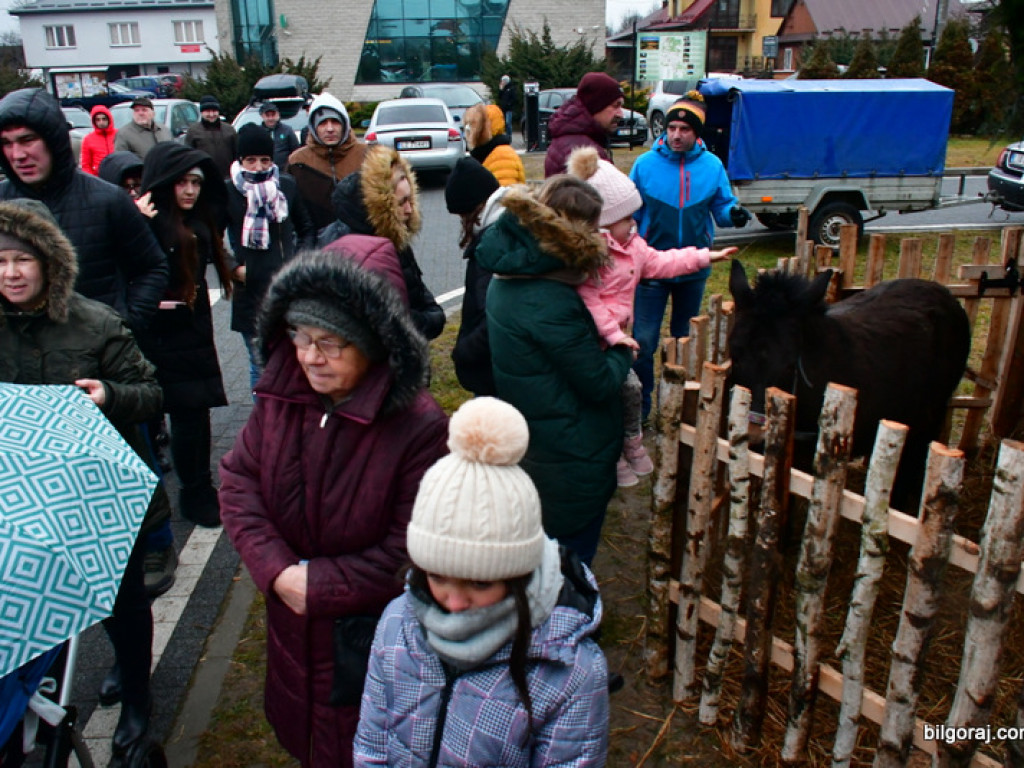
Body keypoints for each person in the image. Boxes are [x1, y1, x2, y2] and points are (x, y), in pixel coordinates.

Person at [219, 249, 449, 768]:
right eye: (299, 337)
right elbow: (239, 480)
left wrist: (317, 586)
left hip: (365, 646)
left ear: (372, 344)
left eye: (329, 343)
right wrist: (277, 572)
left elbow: (410, 549)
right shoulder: (283, 395)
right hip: (291, 632)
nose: (309, 357)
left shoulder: (420, 427)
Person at [353, 396, 610, 766]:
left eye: (480, 584)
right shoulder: (398, 623)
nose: (453, 604)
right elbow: (373, 741)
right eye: (438, 577)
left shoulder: (569, 672)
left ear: (518, 575)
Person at [0, 199, 166, 757]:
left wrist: (109, 395)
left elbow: (150, 393)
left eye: (21, 259)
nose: (10, 273)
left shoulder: (93, 321)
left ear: (47, 260)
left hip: (96, 499)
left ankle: (138, 697)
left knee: (122, 605)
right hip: (18, 500)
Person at [475, 176, 632, 566]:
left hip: (536, 434)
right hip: (569, 449)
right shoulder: (549, 297)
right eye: (594, 230)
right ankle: (569, 612)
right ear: (574, 232)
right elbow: (597, 383)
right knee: (570, 553)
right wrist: (621, 348)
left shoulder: (511, 272)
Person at [567, 146, 737, 486]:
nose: (634, 224)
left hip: (617, 341)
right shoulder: (590, 256)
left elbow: (663, 262)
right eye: (627, 218)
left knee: (629, 389)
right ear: (602, 223)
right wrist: (614, 336)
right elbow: (590, 300)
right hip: (594, 342)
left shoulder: (633, 246)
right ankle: (611, 454)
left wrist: (704, 257)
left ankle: (631, 442)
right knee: (603, 400)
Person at [0, 88, 168, 334]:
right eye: (6, 143)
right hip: (20, 359)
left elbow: (152, 267)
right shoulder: (2, 202)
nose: (18, 155)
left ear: (53, 140)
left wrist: (125, 324)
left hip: (96, 357)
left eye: (27, 140)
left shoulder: (108, 199)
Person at [629, 92, 751, 422]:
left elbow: (722, 206)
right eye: (672, 127)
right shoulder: (644, 166)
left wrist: (733, 214)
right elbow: (630, 215)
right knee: (643, 341)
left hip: (693, 270)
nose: (677, 135)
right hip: (652, 269)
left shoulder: (712, 166)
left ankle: (678, 409)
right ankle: (640, 412)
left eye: (685, 128)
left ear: (697, 134)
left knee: (684, 340)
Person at [139, 143, 233, 528]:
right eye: (182, 182)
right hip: (160, 334)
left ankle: (198, 489)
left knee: (194, 415)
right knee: (177, 415)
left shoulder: (197, 222)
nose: (191, 190)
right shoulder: (149, 220)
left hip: (191, 330)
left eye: (196, 182)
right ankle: (186, 493)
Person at [318, 145, 445, 340]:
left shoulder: (393, 240)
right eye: (401, 202)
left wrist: (426, 320)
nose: (410, 209)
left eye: (410, 199)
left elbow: (423, 302)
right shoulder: (339, 252)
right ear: (380, 207)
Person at [226, 123, 315, 391]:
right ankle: (266, 424)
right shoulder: (229, 191)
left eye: (264, 160)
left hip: (288, 291)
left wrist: (298, 262)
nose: (258, 167)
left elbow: (306, 228)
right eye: (250, 160)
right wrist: (234, 268)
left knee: (295, 361)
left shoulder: (286, 186)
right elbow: (209, 239)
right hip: (250, 293)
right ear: (240, 161)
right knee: (260, 365)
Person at [444, 156, 510, 396]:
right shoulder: (510, 225)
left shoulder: (490, 246)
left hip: (493, 371)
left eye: (462, 215)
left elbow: (490, 317)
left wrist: (464, 351)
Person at [287, 92, 367, 232]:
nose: (330, 129)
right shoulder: (297, 162)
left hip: (363, 240)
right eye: (323, 123)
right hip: (317, 244)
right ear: (313, 127)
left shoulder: (368, 155)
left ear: (345, 124)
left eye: (335, 121)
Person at [543, 71, 623, 178]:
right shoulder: (581, 152)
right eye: (615, 106)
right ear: (596, 105)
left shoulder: (577, 139)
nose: (621, 114)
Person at [462, 103, 525, 186]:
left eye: (475, 124)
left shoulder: (502, 156)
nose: (470, 130)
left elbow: (505, 196)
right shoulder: (485, 153)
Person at [184, 95, 237, 179]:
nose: (211, 114)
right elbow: (188, 157)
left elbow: (236, 155)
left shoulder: (229, 130)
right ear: (202, 112)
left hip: (227, 177)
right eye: (208, 111)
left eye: (214, 111)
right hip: (204, 178)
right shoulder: (193, 131)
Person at [260, 101, 300, 171]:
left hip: (284, 172)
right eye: (267, 115)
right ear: (262, 116)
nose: (270, 118)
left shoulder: (287, 130)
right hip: (263, 171)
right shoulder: (258, 132)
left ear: (278, 114)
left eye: (273, 115)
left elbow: (296, 151)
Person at [79, 104, 116, 176]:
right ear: (94, 121)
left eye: (104, 119)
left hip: (118, 175)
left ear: (109, 119)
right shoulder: (88, 139)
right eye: (98, 120)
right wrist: (93, 180)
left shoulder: (119, 134)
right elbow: (86, 165)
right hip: (99, 177)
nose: (101, 122)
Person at [498, 73, 516, 138]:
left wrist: (509, 104)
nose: (502, 82)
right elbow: (499, 97)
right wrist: (501, 89)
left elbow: (514, 98)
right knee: (503, 123)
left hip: (509, 109)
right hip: (503, 108)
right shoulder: (503, 89)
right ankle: (505, 135)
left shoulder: (511, 88)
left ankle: (509, 136)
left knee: (508, 123)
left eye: (504, 81)